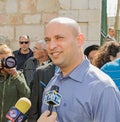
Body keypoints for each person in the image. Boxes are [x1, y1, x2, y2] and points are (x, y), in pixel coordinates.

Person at [41, 17, 120, 122]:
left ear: (79, 40)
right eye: (47, 40)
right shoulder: (52, 84)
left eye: (59, 38)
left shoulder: (102, 88)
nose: (51, 46)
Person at [0, 44, 30, 122]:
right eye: (2, 60)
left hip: (12, 119)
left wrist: (15, 74)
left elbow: (26, 94)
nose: (5, 62)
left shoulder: (18, 75)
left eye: (7, 59)